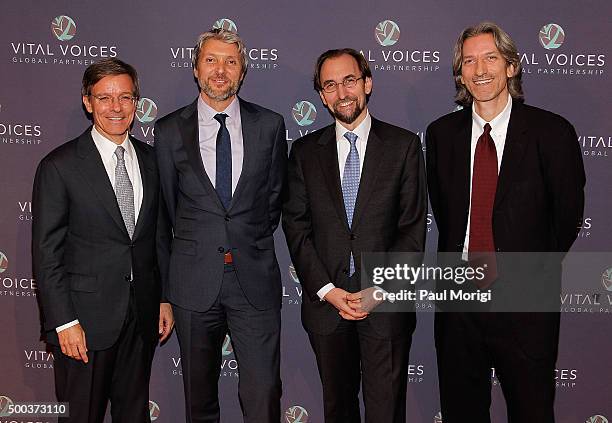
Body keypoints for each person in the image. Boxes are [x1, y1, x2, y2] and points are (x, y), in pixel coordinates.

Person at [426, 22, 585, 423]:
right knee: (462, 411)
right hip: (459, 305)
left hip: (526, 304)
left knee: (532, 412)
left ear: (511, 66)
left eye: (490, 58)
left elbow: (565, 219)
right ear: (459, 73)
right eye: (469, 60)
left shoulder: (552, 133)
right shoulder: (441, 135)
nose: (480, 69)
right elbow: (447, 215)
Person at [282, 48, 427, 423]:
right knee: (337, 410)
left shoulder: (404, 146)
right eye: (330, 85)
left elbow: (412, 231)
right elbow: (296, 227)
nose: (341, 92)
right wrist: (327, 291)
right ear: (321, 95)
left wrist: (379, 289)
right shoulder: (303, 152)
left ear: (367, 83)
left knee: (386, 412)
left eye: (349, 80)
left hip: (385, 304)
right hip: (327, 306)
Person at [154, 28, 286, 423]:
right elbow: (164, 215)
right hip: (193, 283)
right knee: (199, 399)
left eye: (231, 61)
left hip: (254, 280)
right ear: (196, 68)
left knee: (263, 395)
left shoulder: (270, 125)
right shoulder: (168, 130)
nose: (220, 70)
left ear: (242, 71)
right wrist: (164, 293)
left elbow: (274, 199)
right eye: (211, 60)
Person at [32, 58, 174, 423]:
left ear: (136, 102)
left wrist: (163, 297)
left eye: (125, 97)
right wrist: (63, 322)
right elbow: (47, 253)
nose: (116, 107)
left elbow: (158, 235)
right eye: (105, 97)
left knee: (133, 415)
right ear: (87, 101)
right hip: (84, 323)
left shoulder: (152, 159)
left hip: (140, 318)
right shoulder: (59, 166)